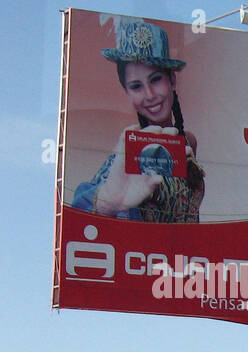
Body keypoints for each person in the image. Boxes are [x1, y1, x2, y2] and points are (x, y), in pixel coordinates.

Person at [72, 18, 204, 222]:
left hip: (188, 254)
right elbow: (83, 211)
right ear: (127, 93)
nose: (149, 94)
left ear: (172, 81)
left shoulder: (188, 142)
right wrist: (107, 202)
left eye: (155, 79)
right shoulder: (131, 146)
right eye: (136, 86)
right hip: (147, 253)